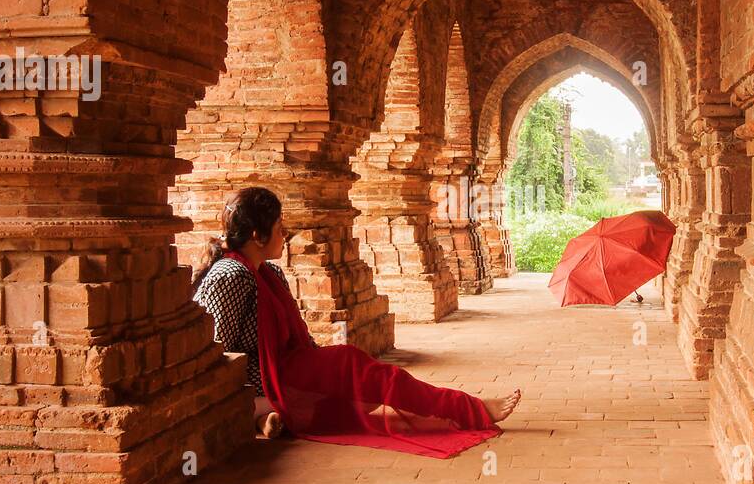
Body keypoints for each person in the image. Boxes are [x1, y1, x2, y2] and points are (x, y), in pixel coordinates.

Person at [191, 187, 520, 458]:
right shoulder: (230, 275)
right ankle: (470, 410)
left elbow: (302, 338)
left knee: (361, 393)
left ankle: (267, 415)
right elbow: (214, 350)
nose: (285, 234)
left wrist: (322, 370)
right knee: (366, 377)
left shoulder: (269, 272)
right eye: (279, 228)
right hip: (264, 380)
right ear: (256, 235)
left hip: (289, 370)